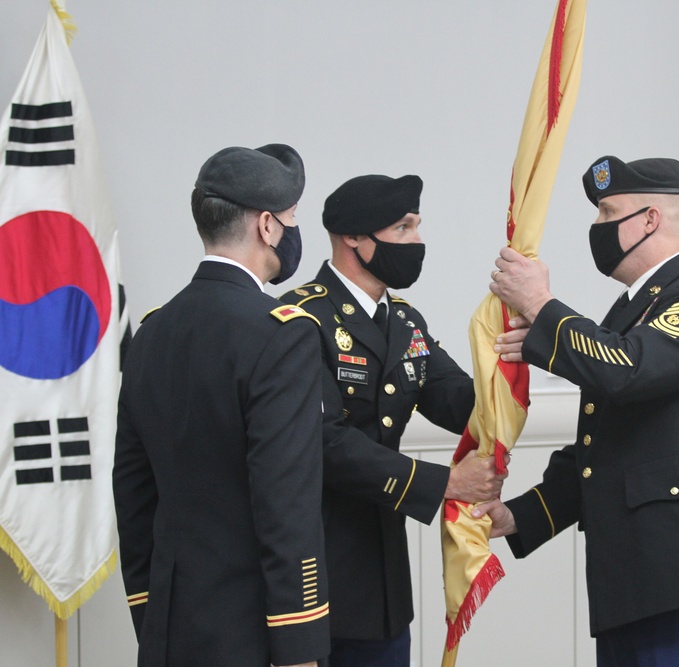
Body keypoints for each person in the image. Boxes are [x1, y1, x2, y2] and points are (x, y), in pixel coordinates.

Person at [476, 155, 679, 666]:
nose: (597, 226)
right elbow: (606, 447)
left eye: (606, 212)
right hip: (634, 585)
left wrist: (542, 304)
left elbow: (627, 370)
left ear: (649, 220)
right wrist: (519, 515)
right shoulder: (631, 314)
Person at [278, 174, 521, 667]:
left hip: (382, 580)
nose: (417, 241)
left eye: (417, 226)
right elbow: (327, 442)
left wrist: (512, 352)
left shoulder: (405, 321)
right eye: (403, 228)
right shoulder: (302, 320)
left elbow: (457, 401)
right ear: (353, 237)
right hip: (315, 571)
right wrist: (450, 481)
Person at [113, 144, 329, 667]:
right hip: (254, 636)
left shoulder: (152, 330)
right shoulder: (284, 335)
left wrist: (150, 611)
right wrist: (300, 645)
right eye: (292, 218)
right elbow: (287, 508)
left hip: (169, 631)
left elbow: (134, 495)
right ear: (267, 226)